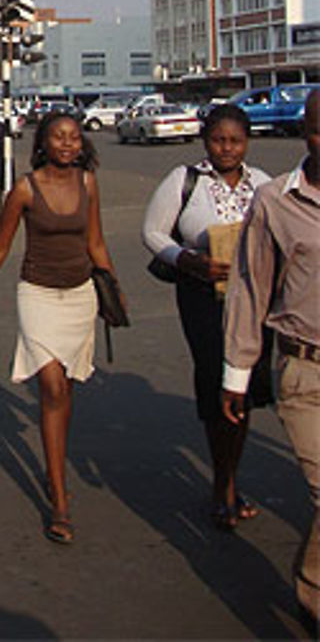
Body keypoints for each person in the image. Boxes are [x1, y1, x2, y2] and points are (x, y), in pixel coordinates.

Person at [0, 111, 121, 545]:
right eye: (58, 137)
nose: (67, 144)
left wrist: (113, 289)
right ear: (43, 144)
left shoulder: (88, 184)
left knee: (65, 390)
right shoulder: (24, 190)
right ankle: (58, 499)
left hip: (81, 296)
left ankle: (55, 465)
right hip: (37, 296)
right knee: (51, 386)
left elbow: (96, 243)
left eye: (74, 137)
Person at [142, 103, 271, 529]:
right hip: (203, 298)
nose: (227, 149)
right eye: (218, 140)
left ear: (247, 142)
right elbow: (153, 232)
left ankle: (230, 476)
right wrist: (186, 261)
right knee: (217, 382)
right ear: (205, 140)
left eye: (235, 141)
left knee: (244, 389)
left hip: (254, 302)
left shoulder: (265, 186)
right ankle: (223, 485)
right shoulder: (186, 181)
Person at [222, 88, 320, 626]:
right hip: (305, 371)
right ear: (304, 135)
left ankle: (311, 589)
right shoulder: (277, 201)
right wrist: (236, 376)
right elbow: (250, 288)